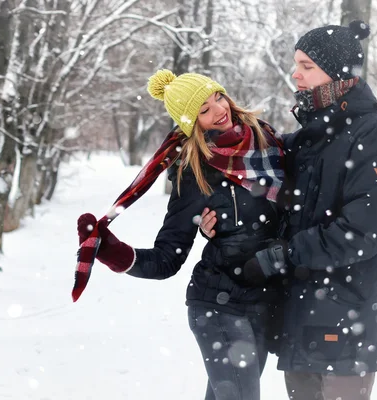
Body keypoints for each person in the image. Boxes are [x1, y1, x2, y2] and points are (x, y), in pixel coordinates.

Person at [199, 20, 377, 400]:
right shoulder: (307, 139)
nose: (294, 74)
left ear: (339, 72)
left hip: (346, 328)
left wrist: (282, 256)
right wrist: (220, 220)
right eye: (295, 63)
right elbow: (269, 196)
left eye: (307, 65)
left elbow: (362, 234)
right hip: (300, 321)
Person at [74, 69, 285, 400]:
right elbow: (166, 259)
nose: (219, 109)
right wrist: (114, 251)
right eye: (204, 110)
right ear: (193, 124)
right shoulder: (196, 172)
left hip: (261, 301)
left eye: (217, 96)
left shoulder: (268, 142)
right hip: (219, 305)